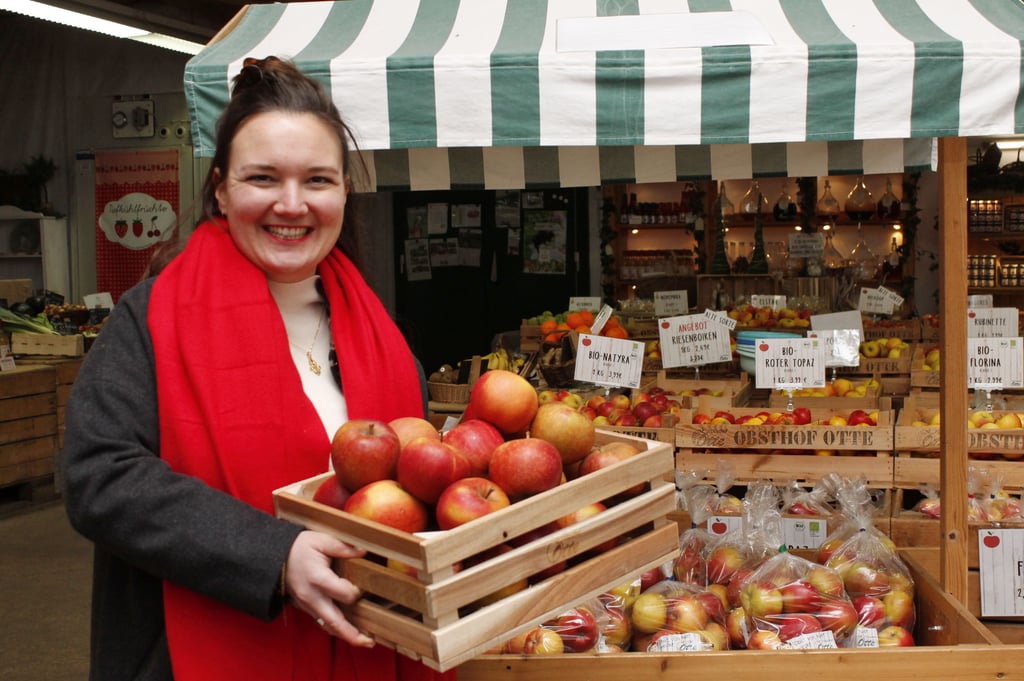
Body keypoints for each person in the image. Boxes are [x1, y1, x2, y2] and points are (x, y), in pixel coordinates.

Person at [63, 56, 453, 681]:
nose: (291, 205)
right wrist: (274, 554)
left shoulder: (381, 335)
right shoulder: (150, 319)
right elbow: (99, 478)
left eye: (317, 180)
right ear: (221, 189)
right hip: (195, 650)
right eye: (263, 178)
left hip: (372, 644)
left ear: (344, 192)